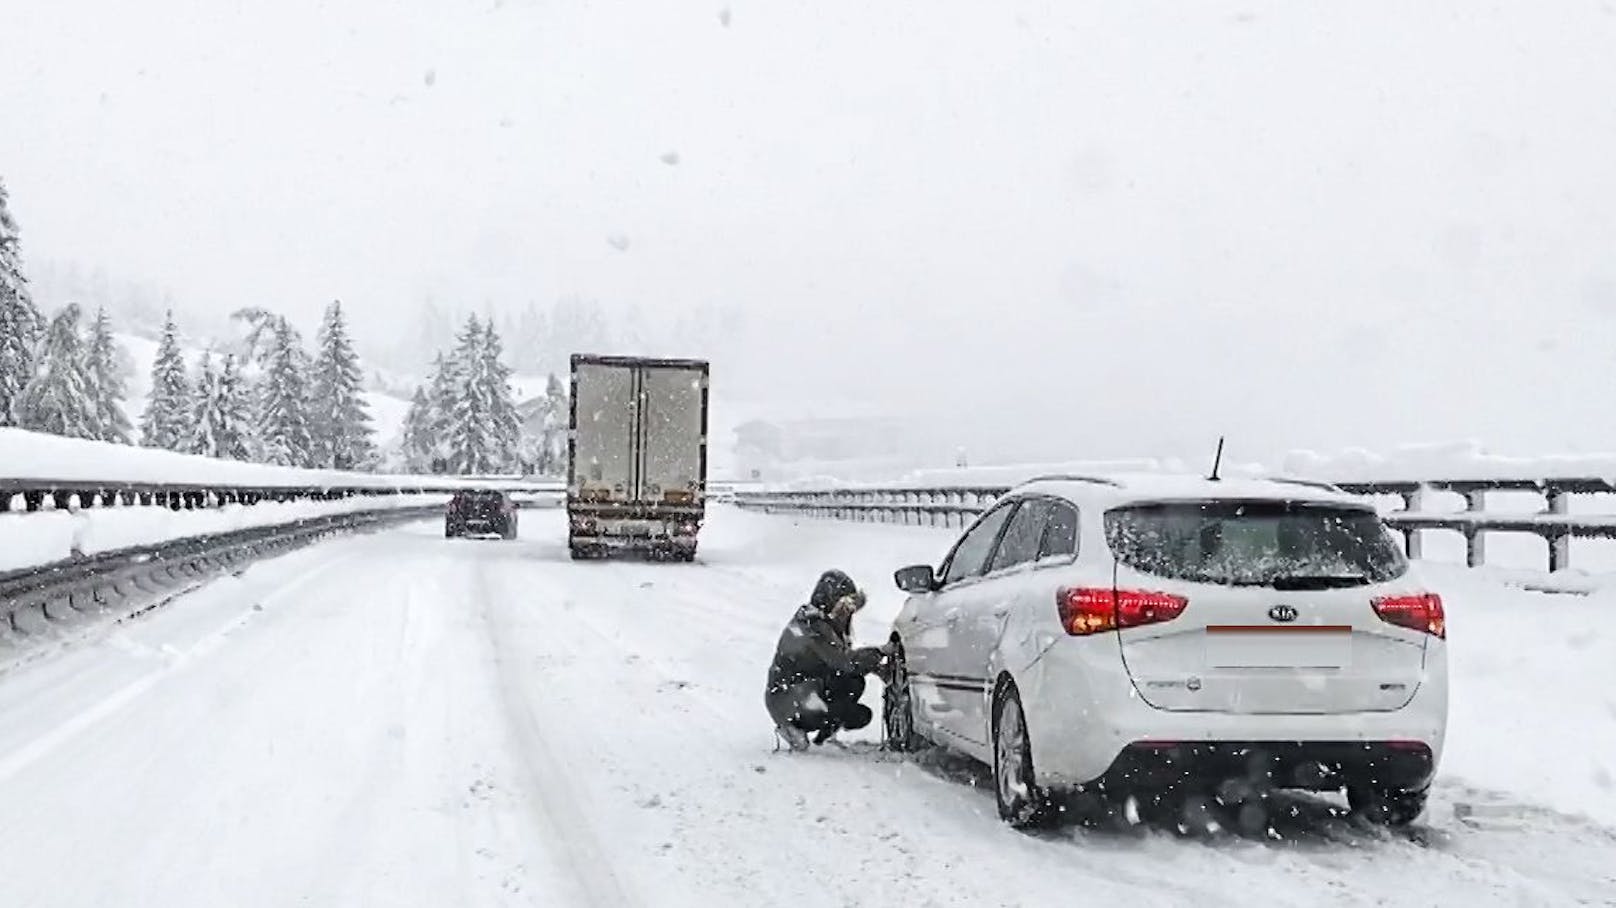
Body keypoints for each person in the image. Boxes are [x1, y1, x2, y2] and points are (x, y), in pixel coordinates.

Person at [765, 569, 891, 751]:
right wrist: (880, 652)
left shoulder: (821, 622)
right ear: (830, 601)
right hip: (787, 698)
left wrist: (874, 667)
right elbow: (845, 662)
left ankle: (825, 728)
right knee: (855, 713)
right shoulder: (812, 627)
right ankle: (793, 727)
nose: (848, 613)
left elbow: (841, 663)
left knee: (853, 683)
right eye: (845, 606)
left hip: (804, 689)